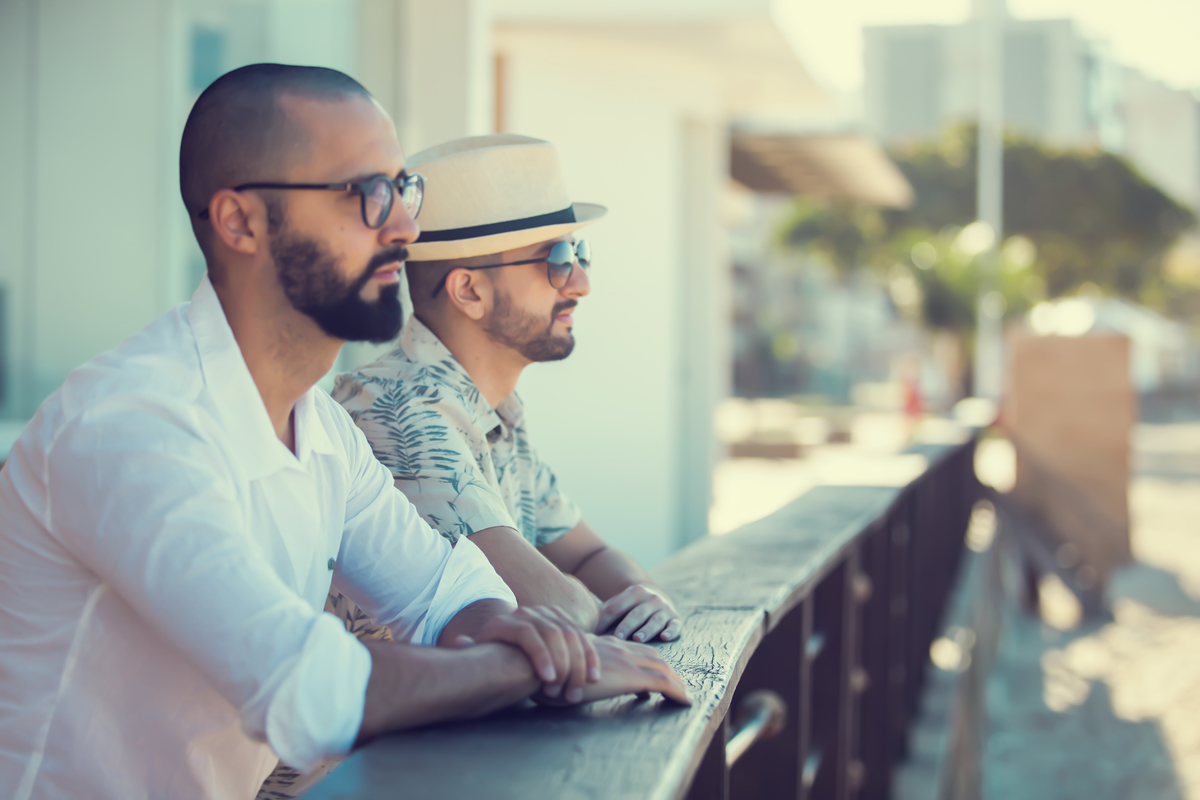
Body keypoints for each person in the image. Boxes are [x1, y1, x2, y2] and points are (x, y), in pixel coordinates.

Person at [0, 64, 688, 800]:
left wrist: (509, 637)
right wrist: (547, 664)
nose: (405, 228)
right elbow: (310, 689)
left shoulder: (321, 426)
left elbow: (447, 594)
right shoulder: (131, 425)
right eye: (367, 196)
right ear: (240, 222)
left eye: (404, 191)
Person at [332, 134, 683, 646]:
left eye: (580, 252)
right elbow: (552, 608)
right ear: (469, 291)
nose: (580, 282)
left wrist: (645, 597)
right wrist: (615, 611)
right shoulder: (395, 411)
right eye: (557, 258)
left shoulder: (494, 412)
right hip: (396, 723)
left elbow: (588, 556)